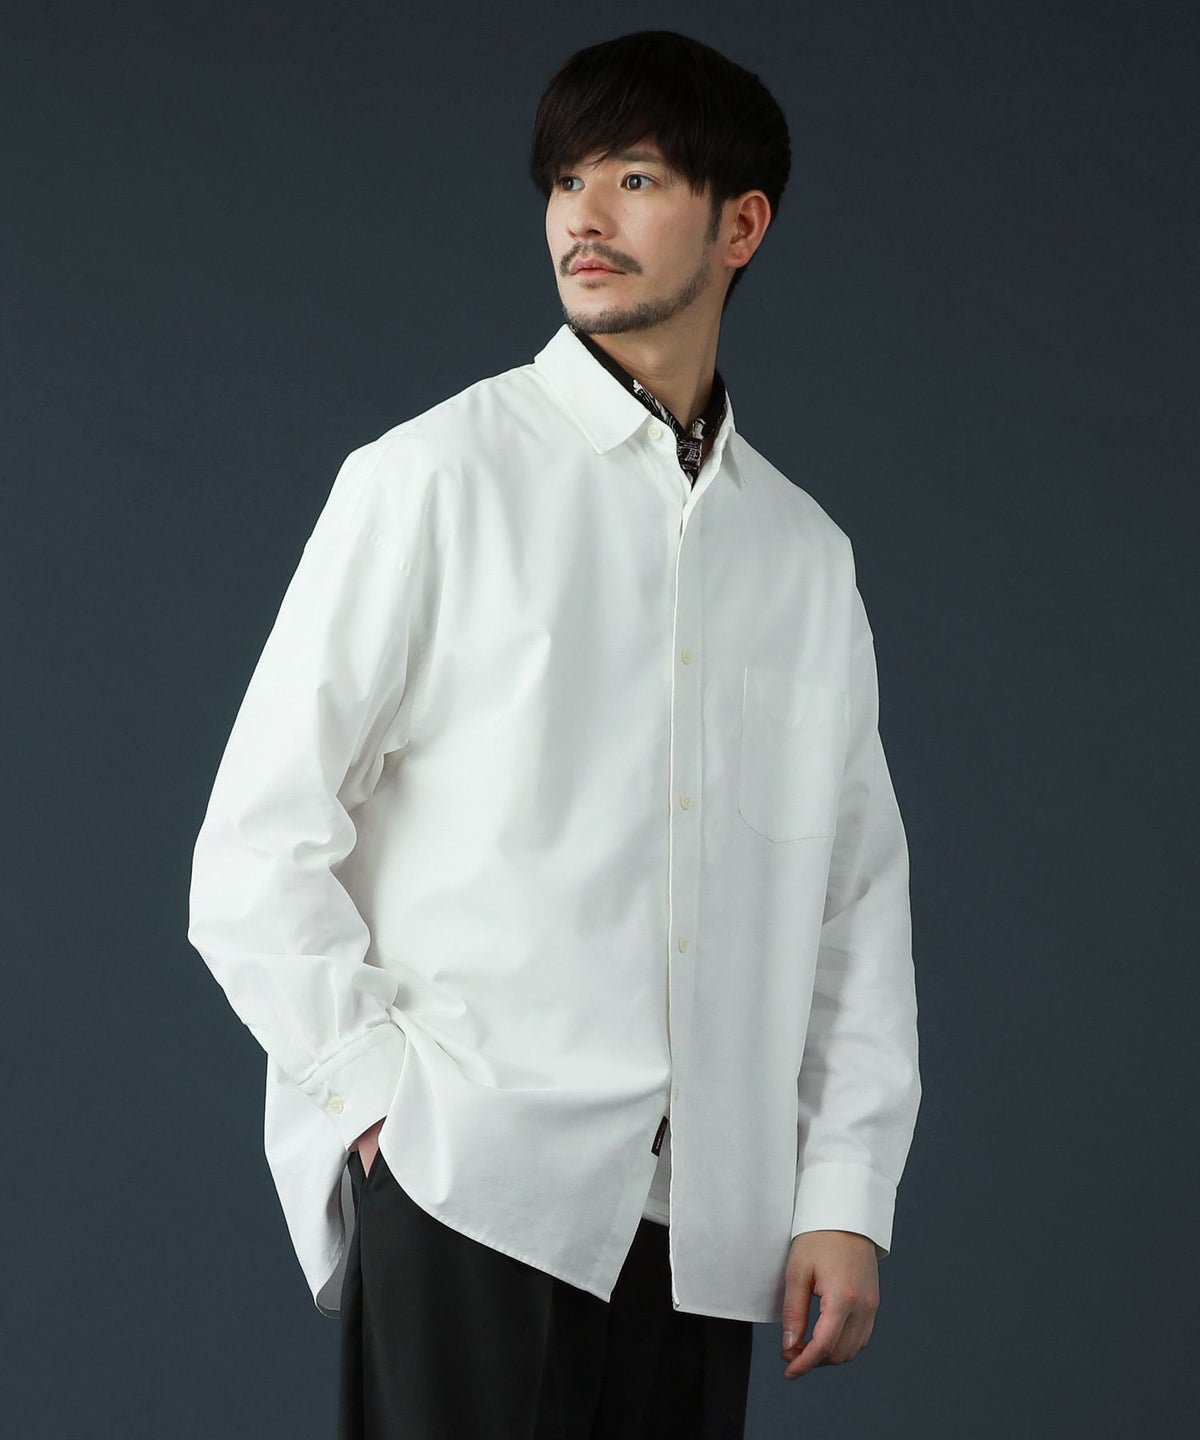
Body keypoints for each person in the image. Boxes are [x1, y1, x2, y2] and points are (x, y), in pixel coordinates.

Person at [187, 27, 921, 1440]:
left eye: (634, 178)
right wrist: (384, 1111)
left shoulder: (802, 556)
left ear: (741, 225)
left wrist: (845, 1195)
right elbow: (255, 847)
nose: (583, 217)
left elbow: (853, 905)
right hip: (474, 1187)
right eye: (564, 181)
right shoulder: (433, 478)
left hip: (705, 1226)